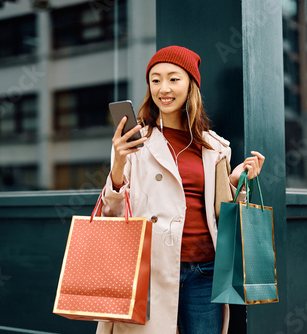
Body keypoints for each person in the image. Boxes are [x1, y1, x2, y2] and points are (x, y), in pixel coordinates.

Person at [96, 45, 265, 334]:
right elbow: (112, 215)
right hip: (150, 269)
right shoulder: (135, 142)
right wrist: (118, 164)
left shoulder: (215, 146)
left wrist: (236, 182)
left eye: (174, 78)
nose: (164, 88)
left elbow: (220, 212)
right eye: (156, 79)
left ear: (191, 85)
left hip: (205, 270)